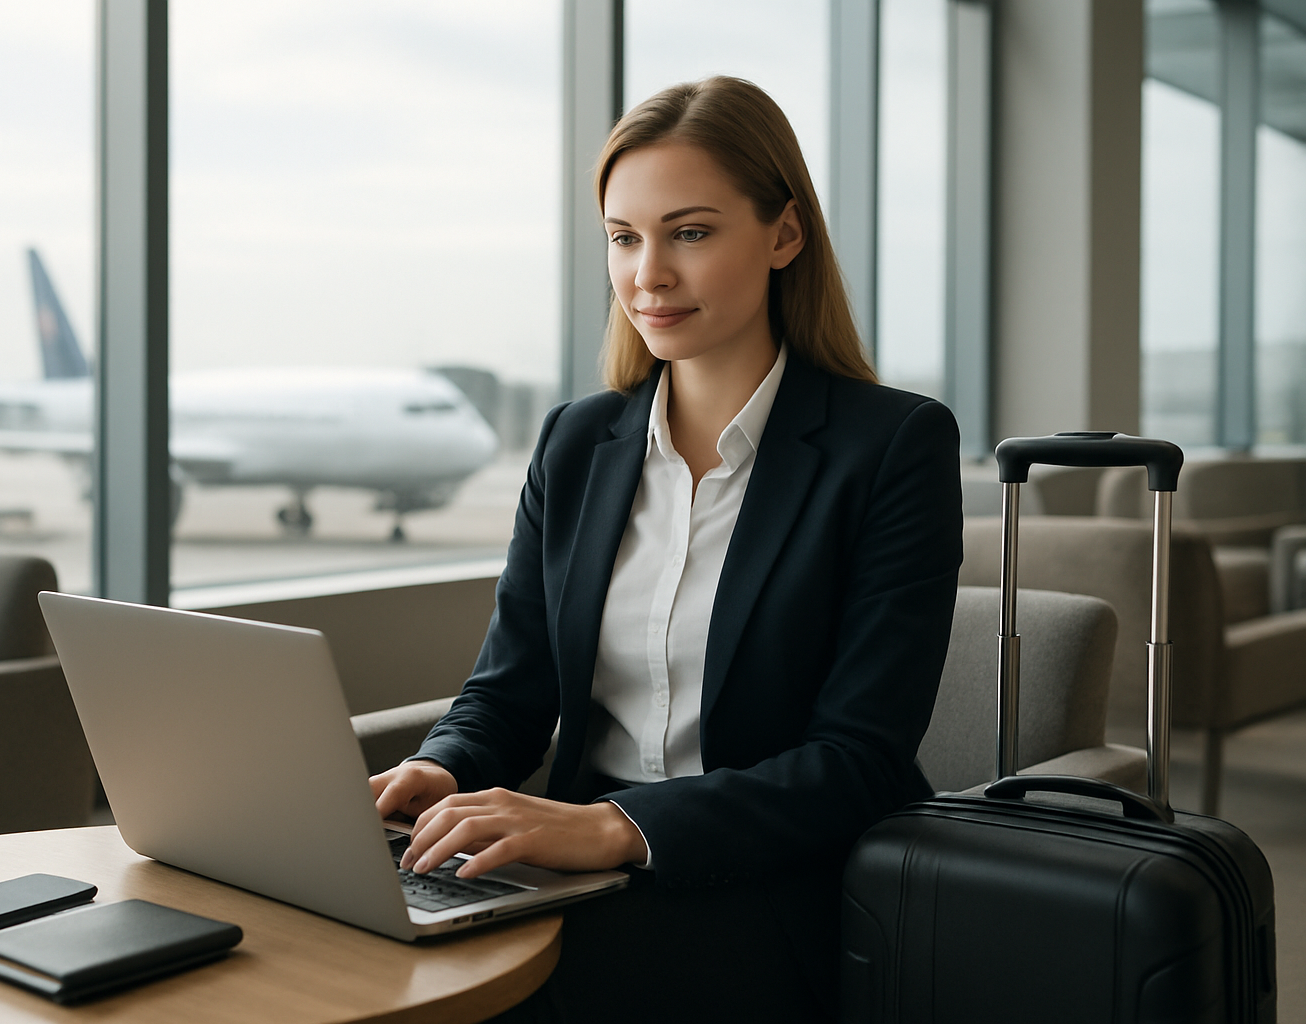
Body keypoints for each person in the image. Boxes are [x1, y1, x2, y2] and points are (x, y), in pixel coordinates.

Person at [370, 76, 962, 1022]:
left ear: (784, 234)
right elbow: (510, 688)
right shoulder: (578, 441)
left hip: (767, 881)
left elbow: (860, 760)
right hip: (560, 864)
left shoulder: (891, 446)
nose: (648, 273)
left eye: (690, 232)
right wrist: (442, 767)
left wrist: (615, 827)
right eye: (623, 236)